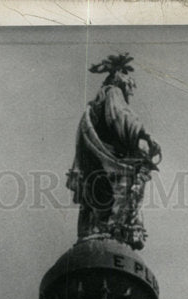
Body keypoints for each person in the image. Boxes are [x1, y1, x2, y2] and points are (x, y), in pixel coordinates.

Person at [67, 53, 161, 249]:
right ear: (122, 80)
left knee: (99, 202)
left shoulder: (102, 97)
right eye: (129, 85)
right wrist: (144, 135)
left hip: (99, 162)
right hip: (112, 162)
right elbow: (120, 117)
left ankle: (98, 232)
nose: (130, 91)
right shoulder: (113, 93)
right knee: (120, 195)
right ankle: (111, 232)